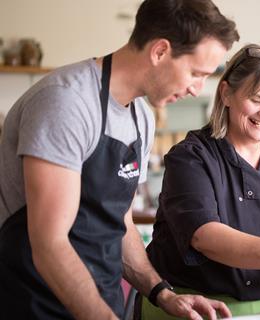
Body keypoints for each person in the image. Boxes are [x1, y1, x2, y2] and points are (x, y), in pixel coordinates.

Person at [0, 0, 239, 319]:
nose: (198, 89)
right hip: (35, 303)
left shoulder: (142, 116)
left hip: (100, 301)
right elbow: (49, 246)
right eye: (196, 73)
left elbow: (120, 226)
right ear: (160, 51)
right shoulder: (66, 104)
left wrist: (164, 294)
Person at [143, 44, 260, 319]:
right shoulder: (192, 157)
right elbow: (205, 236)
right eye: (257, 99)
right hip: (199, 307)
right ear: (226, 94)